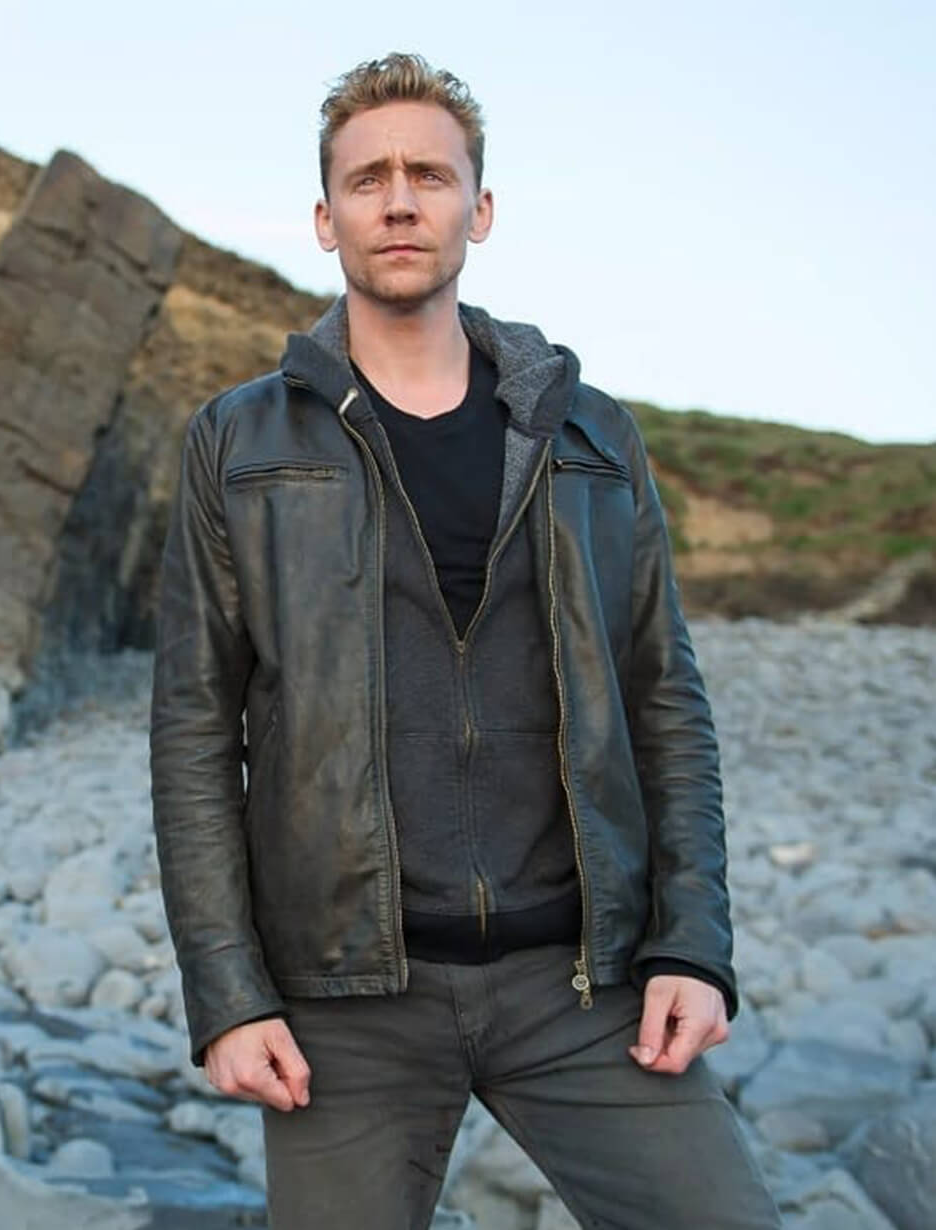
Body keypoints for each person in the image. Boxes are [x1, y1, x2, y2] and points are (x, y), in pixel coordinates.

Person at [150, 51, 782, 1230]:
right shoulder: (237, 442)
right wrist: (228, 996)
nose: (399, 201)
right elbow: (192, 729)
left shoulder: (589, 436)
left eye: (429, 176)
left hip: (584, 983)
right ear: (325, 218)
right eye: (368, 179)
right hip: (346, 999)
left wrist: (691, 947)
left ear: (477, 210)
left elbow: (663, 704)